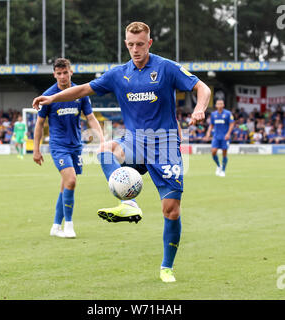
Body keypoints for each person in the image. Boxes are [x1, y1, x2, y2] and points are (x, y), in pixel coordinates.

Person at [32, 22, 211, 282]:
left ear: (149, 43)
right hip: (135, 143)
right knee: (105, 149)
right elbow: (82, 89)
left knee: (171, 210)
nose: (135, 49)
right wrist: (51, 99)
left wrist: (200, 108)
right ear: (125, 44)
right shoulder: (118, 74)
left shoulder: (166, 68)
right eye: (130, 44)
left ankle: (166, 267)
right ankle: (128, 202)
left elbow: (201, 87)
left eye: (140, 44)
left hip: (165, 145)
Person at [33, 58, 104, 238]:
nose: (63, 77)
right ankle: (69, 226)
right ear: (54, 74)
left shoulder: (80, 93)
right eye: (59, 74)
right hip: (58, 146)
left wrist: (102, 140)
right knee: (71, 180)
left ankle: (56, 226)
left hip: (75, 146)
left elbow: (90, 118)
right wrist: (36, 149)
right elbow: (39, 124)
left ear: (71, 72)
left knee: (66, 185)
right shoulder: (49, 95)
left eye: (65, 73)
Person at [204, 99, 235, 177]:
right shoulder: (213, 114)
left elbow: (232, 124)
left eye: (221, 104)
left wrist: (228, 134)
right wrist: (208, 133)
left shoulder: (228, 113)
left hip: (225, 137)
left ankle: (223, 171)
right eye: (218, 104)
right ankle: (218, 165)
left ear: (223, 105)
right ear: (216, 105)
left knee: (224, 153)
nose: (220, 105)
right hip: (216, 136)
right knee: (213, 151)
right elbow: (211, 125)